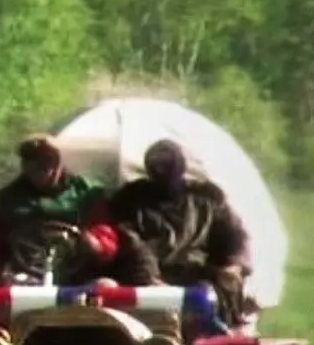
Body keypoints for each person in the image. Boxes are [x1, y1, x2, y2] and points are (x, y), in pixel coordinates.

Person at [0, 133, 155, 286]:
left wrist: (95, 243)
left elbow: (107, 236)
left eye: (47, 161)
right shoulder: (3, 201)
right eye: (33, 161)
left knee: (106, 286)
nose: (42, 168)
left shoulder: (87, 194)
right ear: (24, 165)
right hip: (23, 280)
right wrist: (0, 275)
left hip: (79, 280)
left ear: (59, 162)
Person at [107, 139, 252, 327]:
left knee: (214, 296)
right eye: (157, 165)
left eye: (168, 164)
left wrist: (234, 266)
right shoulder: (131, 201)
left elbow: (235, 236)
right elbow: (133, 244)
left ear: (181, 166)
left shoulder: (206, 199)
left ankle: (220, 335)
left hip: (199, 275)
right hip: (150, 277)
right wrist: (151, 280)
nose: (162, 171)